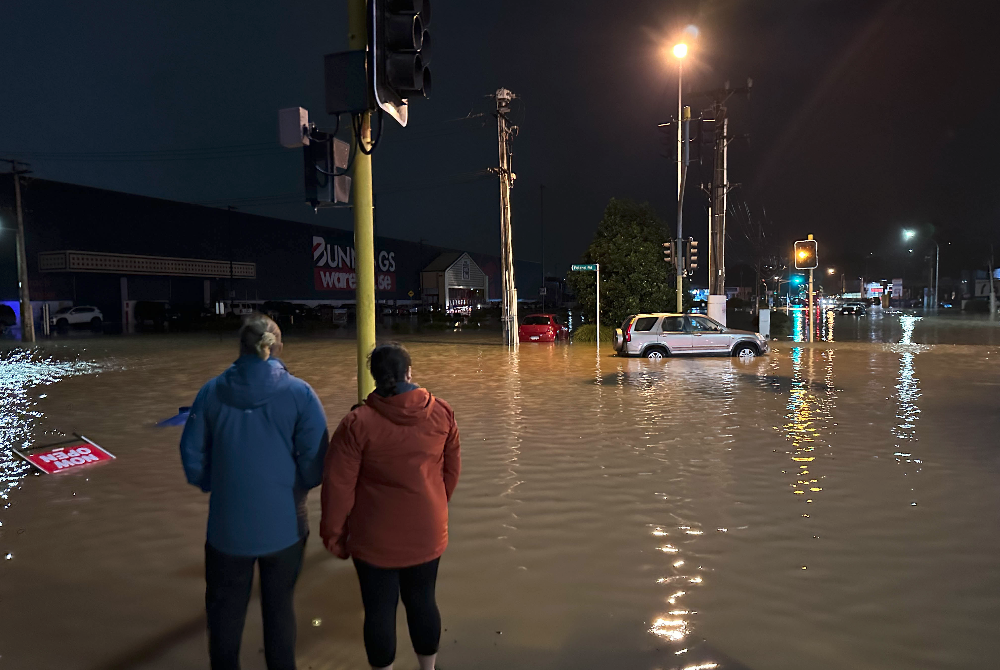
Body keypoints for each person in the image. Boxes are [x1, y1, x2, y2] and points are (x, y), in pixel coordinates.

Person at [180, 313, 328, 670]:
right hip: (285, 527)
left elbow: (192, 454)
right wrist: (296, 485)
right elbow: (317, 460)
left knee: (224, 614)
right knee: (279, 610)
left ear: (240, 348)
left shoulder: (211, 392)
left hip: (226, 528)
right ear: (277, 348)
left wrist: (216, 483)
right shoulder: (300, 393)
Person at [321, 343, 461, 670]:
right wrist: (436, 506)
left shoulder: (357, 423)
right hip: (427, 532)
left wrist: (334, 535)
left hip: (373, 538)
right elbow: (451, 472)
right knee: (423, 601)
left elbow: (337, 487)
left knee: (379, 611)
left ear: (374, 378)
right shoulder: (442, 412)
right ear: (409, 373)